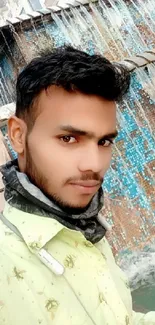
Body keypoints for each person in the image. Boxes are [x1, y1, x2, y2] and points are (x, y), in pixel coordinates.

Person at [0, 46, 154, 325]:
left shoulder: (84, 227)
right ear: (18, 136)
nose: (93, 164)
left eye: (104, 141)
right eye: (68, 139)